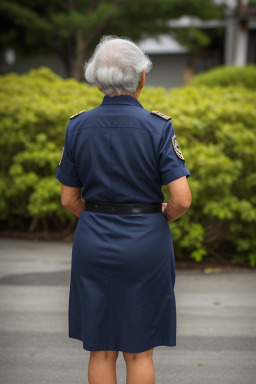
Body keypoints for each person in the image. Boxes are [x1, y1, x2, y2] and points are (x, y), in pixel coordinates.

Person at [56, 35, 192, 384]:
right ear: (141, 77)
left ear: (97, 79)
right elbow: (182, 199)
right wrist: (160, 216)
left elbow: (69, 199)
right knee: (139, 349)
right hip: (146, 240)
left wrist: (97, 219)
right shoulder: (158, 127)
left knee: (100, 349)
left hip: (92, 239)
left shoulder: (78, 126)